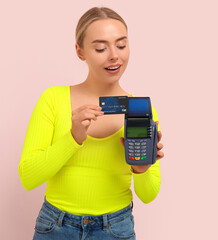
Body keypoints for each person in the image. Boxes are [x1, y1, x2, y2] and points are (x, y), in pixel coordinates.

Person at [18, 6, 164, 240]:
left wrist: (141, 167)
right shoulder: (53, 99)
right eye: (100, 48)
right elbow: (28, 177)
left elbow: (148, 195)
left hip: (115, 228)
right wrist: (73, 138)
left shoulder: (141, 109)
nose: (114, 55)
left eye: (121, 45)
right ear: (80, 51)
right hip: (55, 226)